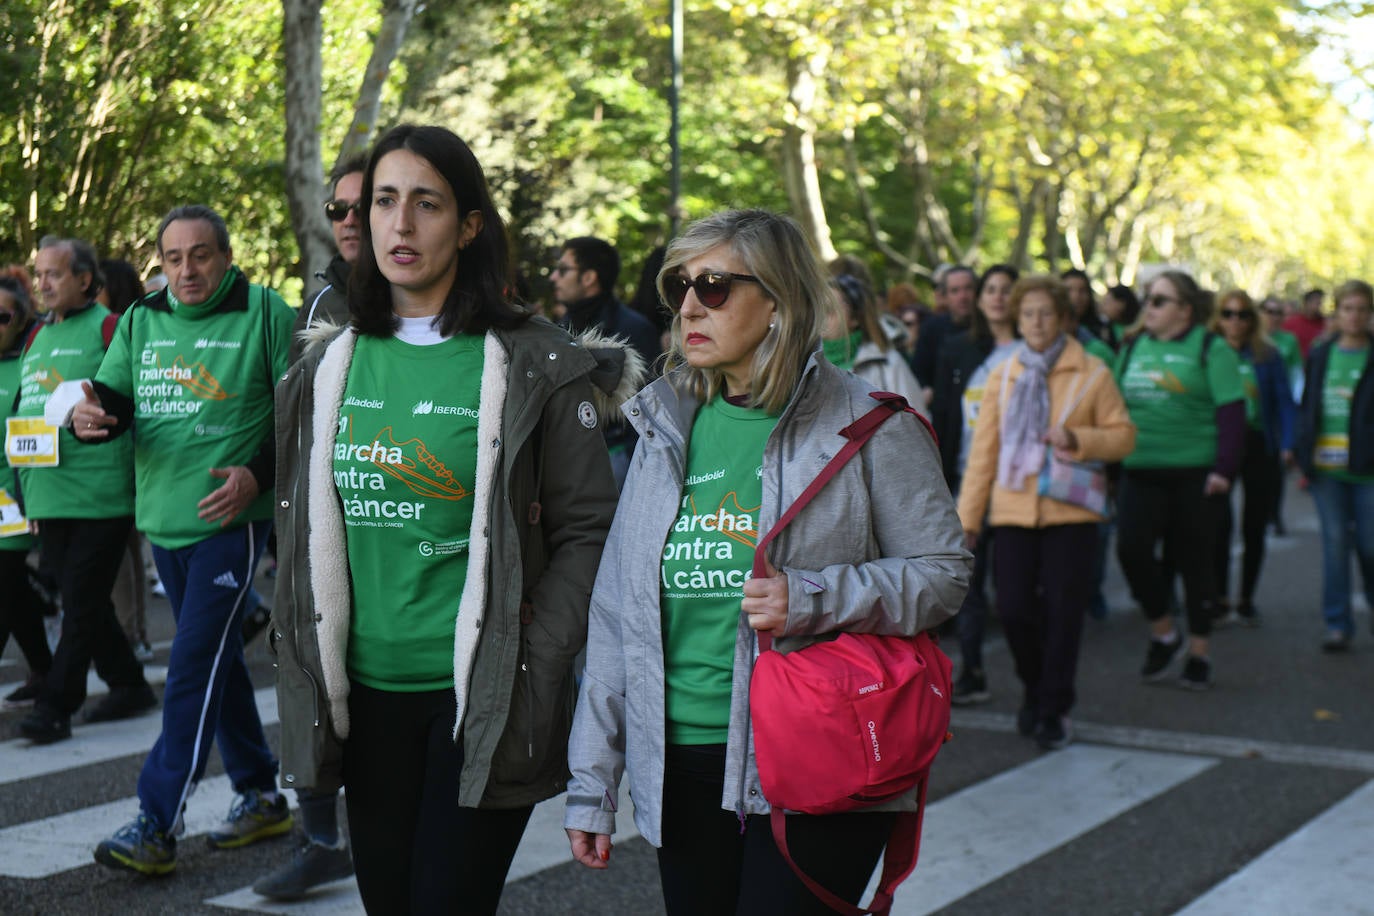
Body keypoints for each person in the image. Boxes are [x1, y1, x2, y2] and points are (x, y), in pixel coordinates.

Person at [563, 208, 970, 914]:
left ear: (779, 300)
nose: (689, 306)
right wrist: (593, 784)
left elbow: (944, 574)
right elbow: (616, 615)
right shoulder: (664, 425)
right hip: (682, 756)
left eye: (715, 286)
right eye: (679, 286)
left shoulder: (871, 424)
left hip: (816, 749)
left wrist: (811, 596)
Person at [272, 125, 628, 915]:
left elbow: (586, 530)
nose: (399, 226)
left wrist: (538, 645)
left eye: (426, 204)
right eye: (383, 203)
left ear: (469, 225)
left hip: (481, 697)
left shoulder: (533, 360)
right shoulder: (326, 362)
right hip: (360, 701)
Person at [75, 205, 298, 875]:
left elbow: (301, 414)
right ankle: (260, 792)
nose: (186, 270)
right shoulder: (143, 319)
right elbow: (115, 399)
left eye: (200, 255)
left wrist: (256, 475)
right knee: (219, 662)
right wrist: (92, 418)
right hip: (163, 520)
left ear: (226, 256)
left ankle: (156, 820)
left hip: (230, 525)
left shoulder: (265, 313)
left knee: (191, 665)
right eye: (173, 258)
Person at [249, 152, 367, 903]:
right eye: (341, 209)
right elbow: (289, 411)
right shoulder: (323, 296)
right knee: (307, 682)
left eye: (371, 205)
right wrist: (257, 479)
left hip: (405, 531)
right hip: (317, 523)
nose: (352, 221)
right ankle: (320, 837)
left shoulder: (443, 299)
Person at [958, 276, 1135, 748]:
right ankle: (1035, 687)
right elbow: (983, 453)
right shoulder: (1004, 373)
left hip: (1071, 513)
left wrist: (1080, 439)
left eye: (1046, 314)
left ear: (1063, 319)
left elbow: (1124, 436)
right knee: (1013, 609)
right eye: (1028, 314)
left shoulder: (1093, 372)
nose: (1036, 323)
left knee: (1063, 614)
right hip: (1013, 509)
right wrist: (968, 520)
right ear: (1018, 319)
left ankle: (1054, 705)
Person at [13, 237, 154, 744]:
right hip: (47, 491)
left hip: (101, 491)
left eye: (55, 274)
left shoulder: (112, 328)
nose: (44, 283)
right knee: (84, 598)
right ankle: (128, 682)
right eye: (40, 273)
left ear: (85, 281)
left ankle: (56, 704)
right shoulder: (33, 338)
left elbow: (131, 399)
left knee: (80, 601)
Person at [1114, 270, 1245, 689]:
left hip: (1196, 475)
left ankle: (1200, 652)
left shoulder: (1212, 348)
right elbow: (1114, 407)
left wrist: (1224, 471)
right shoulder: (1132, 347)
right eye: (1147, 299)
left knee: (1194, 563)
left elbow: (1232, 414)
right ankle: (1165, 632)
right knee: (1131, 551)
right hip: (1140, 471)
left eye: (1158, 301)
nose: (1147, 307)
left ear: (1185, 310)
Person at [932, 263, 1019, 705]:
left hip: (1021, 486)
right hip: (968, 480)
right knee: (970, 578)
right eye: (992, 290)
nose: (998, 297)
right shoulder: (958, 350)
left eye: (1008, 289)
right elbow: (946, 419)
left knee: (1014, 587)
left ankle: (1033, 674)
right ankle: (972, 669)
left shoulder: (1037, 353)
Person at [1293, 280, 1374, 653]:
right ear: (1336, 313)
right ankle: (1337, 623)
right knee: (1335, 544)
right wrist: (1301, 451)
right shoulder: (1321, 354)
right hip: (1327, 471)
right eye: (1348, 308)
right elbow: (1308, 404)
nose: (1355, 316)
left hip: (1368, 471)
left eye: (1362, 309)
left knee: (1370, 547)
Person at [1209, 291, 1294, 625]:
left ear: (1252, 319)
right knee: (1218, 523)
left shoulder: (1268, 355)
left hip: (1260, 443)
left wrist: (1288, 443)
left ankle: (1246, 598)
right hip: (1220, 445)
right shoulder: (1209, 351)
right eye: (1228, 314)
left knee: (1254, 525)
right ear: (1218, 317)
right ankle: (1218, 597)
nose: (1235, 321)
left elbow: (1285, 403)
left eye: (1243, 315)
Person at [551, 236, 660, 488]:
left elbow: (648, 411)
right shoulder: (557, 329)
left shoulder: (634, 329)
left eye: (563, 270)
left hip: (616, 464)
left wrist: (635, 467)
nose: (554, 277)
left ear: (589, 278)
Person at [0, 276, 55, 705]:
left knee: (7, 581)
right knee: (15, 588)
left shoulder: (32, 361)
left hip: (14, 497)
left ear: (21, 319)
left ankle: (47, 671)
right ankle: (44, 669)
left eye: (2, 317)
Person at [97, 258, 153, 660]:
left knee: (121, 553)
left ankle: (131, 633)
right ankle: (136, 632)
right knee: (129, 549)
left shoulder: (116, 326)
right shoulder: (139, 321)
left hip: (125, 454)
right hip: (133, 453)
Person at [822, 273, 928, 414]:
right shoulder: (806, 364)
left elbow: (916, 423)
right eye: (817, 306)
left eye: (829, 308)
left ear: (855, 317)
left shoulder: (887, 363)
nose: (821, 314)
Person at [912, 264, 977, 389]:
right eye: (955, 290)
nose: (962, 297)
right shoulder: (931, 329)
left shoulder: (992, 327)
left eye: (968, 288)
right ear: (945, 296)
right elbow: (918, 374)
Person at [1283, 289, 1327, 358]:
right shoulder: (1291, 323)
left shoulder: (1325, 324)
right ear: (1307, 303)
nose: (1320, 306)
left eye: (1321, 303)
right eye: (1317, 303)